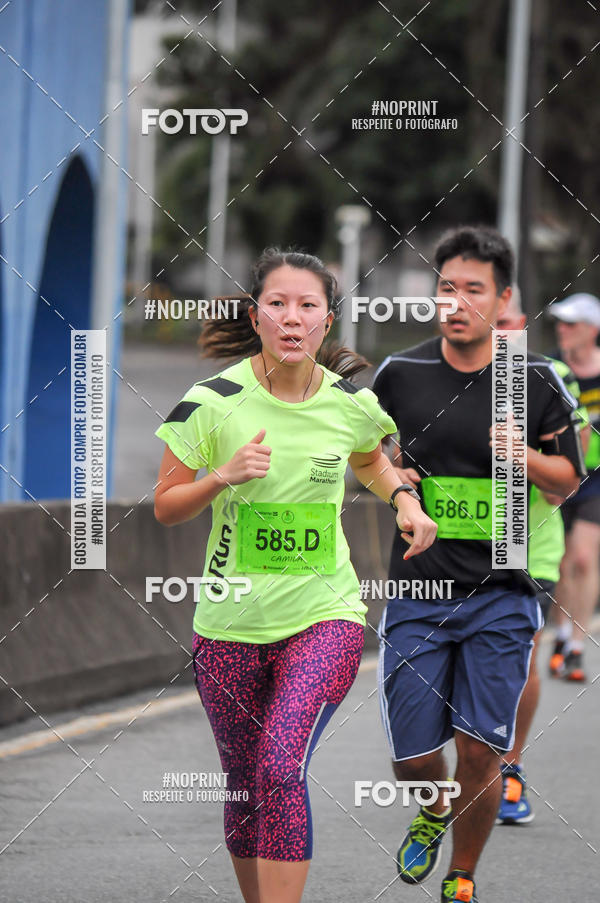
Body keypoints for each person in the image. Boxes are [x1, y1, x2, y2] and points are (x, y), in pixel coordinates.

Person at [154, 248, 437, 903]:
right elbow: (166, 503)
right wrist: (221, 477)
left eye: (307, 305)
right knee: (246, 782)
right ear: (255, 316)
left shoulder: (348, 403)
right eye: (277, 303)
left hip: (325, 614)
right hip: (228, 622)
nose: (292, 317)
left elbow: (372, 461)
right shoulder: (208, 401)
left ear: (326, 321)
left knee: (280, 765)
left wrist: (403, 499)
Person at [372, 226, 584, 903]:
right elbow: (370, 459)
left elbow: (568, 481)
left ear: (503, 299)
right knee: (412, 757)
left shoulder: (533, 381)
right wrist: (393, 477)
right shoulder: (399, 376)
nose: (456, 301)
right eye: (446, 288)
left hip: (504, 590)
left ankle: (462, 877)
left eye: (473, 290)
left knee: (479, 751)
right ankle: (433, 809)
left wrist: (523, 454)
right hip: (420, 586)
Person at [494, 289, 587, 825]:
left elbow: (562, 488)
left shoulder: (549, 376)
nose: (497, 332)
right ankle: (465, 768)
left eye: (507, 322)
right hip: (453, 542)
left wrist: (520, 451)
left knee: (521, 659)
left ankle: (510, 765)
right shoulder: (439, 372)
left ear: (521, 321)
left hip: (526, 541)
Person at [546, 293, 600, 682]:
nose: (563, 330)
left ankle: (578, 646)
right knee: (561, 562)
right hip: (556, 472)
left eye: (572, 324)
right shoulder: (550, 369)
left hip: (596, 477)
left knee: (583, 559)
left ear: (593, 330)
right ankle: (561, 635)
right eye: (560, 324)